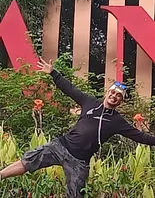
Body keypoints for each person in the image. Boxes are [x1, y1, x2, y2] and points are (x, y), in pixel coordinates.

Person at [1, 58, 155, 198]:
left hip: (79, 162)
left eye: (118, 95)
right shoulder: (89, 102)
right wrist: (53, 73)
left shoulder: (117, 121)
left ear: (120, 101)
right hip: (60, 146)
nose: (114, 96)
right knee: (29, 160)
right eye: (113, 92)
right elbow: (70, 89)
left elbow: (140, 136)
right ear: (107, 93)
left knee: (75, 195)